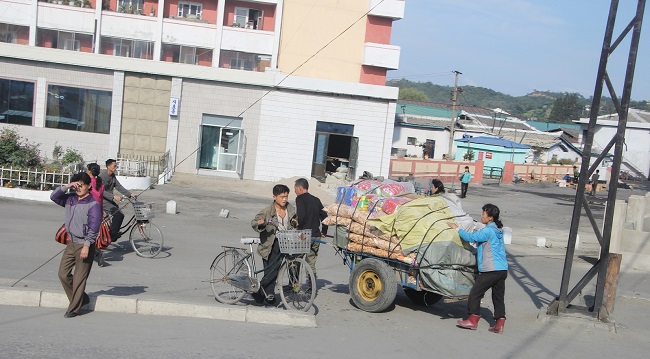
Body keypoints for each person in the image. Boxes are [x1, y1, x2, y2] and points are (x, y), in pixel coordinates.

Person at [448, 203, 508, 333]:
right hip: (502, 269)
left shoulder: (487, 230)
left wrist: (457, 229)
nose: (481, 216)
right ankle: (499, 323)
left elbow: (471, 237)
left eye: (483, 214)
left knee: (475, 293)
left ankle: (473, 319)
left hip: (491, 269)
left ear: (490, 217)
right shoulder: (498, 230)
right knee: (498, 297)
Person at [50, 172, 102, 318]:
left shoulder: (93, 204)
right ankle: (82, 298)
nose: (79, 188)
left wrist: (87, 245)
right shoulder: (70, 199)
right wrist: (68, 186)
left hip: (84, 244)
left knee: (79, 278)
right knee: (62, 274)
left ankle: (74, 308)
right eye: (76, 185)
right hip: (71, 243)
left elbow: (94, 227)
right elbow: (54, 197)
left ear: (89, 186)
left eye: (82, 185)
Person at [251, 184, 297, 305]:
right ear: (274, 197)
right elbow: (254, 222)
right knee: (271, 270)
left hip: (285, 242)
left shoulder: (291, 209)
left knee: (276, 270)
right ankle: (270, 295)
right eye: (282, 197)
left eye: (286, 196)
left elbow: (294, 219)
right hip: (270, 243)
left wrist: (295, 222)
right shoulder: (267, 211)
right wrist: (260, 223)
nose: (284, 199)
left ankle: (259, 294)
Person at [294, 178, 328, 292]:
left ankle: (294, 284)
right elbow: (325, 217)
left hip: (304, 235)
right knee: (311, 262)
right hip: (316, 235)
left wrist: (299, 227)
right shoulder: (316, 200)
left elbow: (301, 216)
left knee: (297, 260)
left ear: (299, 188)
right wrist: (324, 231)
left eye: (295, 189)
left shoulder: (300, 199)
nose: (295, 191)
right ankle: (311, 287)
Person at [99, 159, 135, 242]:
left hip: (109, 200)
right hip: (103, 200)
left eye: (116, 166)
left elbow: (118, 186)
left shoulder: (112, 176)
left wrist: (129, 194)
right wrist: (114, 196)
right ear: (108, 166)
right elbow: (101, 191)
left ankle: (112, 231)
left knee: (119, 214)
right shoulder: (102, 177)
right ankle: (112, 236)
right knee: (118, 215)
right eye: (114, 166)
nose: (116, 167)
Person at [87, 163, 107, 266]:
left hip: (88, 212)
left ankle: (97, 253)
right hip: (98, 212)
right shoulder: (100, 184)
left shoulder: (88, 183)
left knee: (84, 235)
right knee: (90, 235)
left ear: (89, 171)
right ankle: (95, 253)